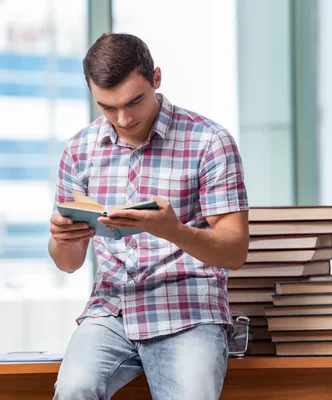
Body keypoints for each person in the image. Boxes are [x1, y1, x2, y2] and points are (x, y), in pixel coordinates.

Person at [48, 33, 249, 400]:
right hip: (112, 310)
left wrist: (173, 231)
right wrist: (63, 239)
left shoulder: (209, 141)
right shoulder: (79, 150)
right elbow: (69, 264)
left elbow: (234, 252)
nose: (123, 119)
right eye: (107, 107)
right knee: (74, 388)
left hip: (188, 309)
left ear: (156, 78)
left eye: (134, 101)